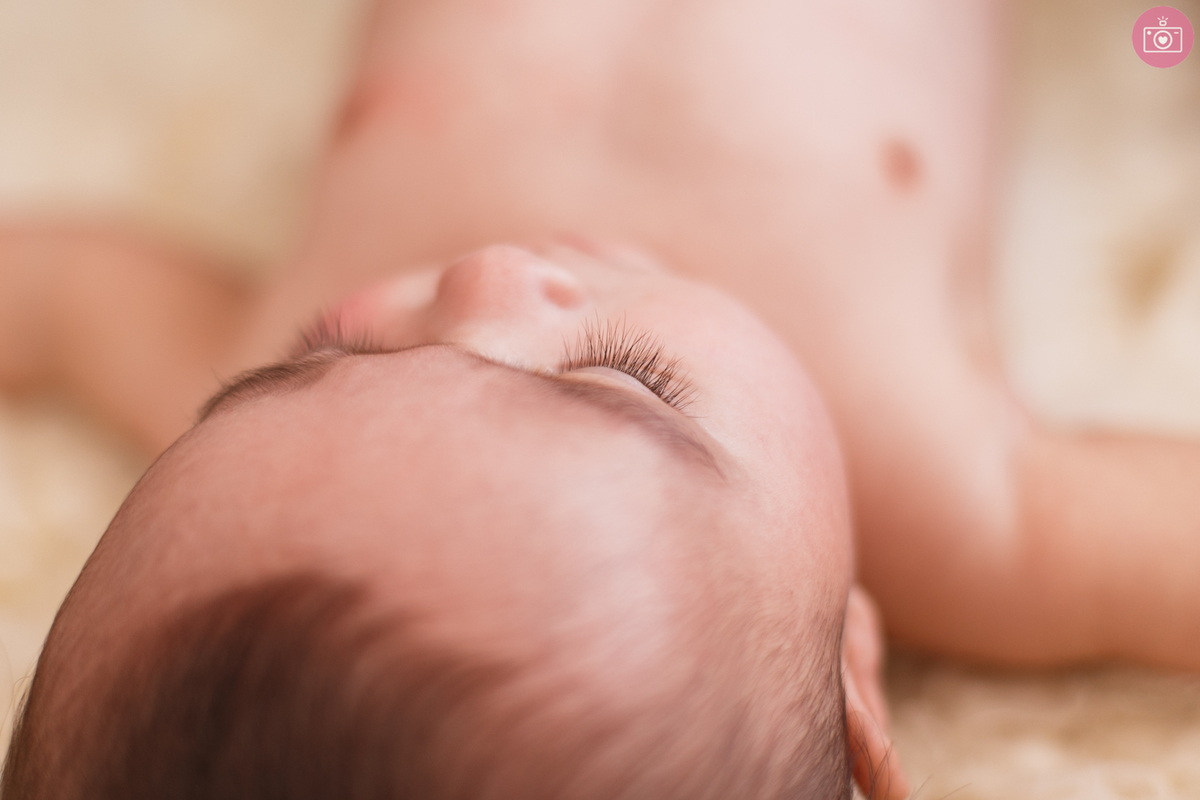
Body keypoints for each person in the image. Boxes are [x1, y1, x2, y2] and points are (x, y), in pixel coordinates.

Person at [1, 0, 1198, 796]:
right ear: (850, 662)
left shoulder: (256, 417)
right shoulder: (963, 502)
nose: (485, 274)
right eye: (625, 378)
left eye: (328, 355)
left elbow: (50, 294)